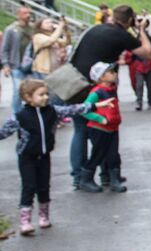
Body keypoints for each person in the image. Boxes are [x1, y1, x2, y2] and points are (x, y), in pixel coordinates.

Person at [66, 5, 151, 189]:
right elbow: (148, 53)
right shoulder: (120, 35)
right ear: (129, 19)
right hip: (94, 89)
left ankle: (91, 175)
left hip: (74, 83)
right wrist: (141, 30)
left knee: (81, 131)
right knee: (99, 132)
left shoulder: (96, 28)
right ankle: (89, 176)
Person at [0, 79, 92, 234]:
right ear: (28, 97)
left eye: (46, 94)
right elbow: (4, 132)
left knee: (44, 186)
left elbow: (72, 109)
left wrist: (94, 106)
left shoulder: (52, 110)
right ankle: (25, 221)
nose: (46, 97)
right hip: (27, 158)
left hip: (44, 156)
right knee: (29, 186)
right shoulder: (20, 116)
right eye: (41, 95)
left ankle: (44, 216)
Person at [76, 62, 123, 193]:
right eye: (111, 72)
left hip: (113, 127)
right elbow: (85, 110)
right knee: (98, 154)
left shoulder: (112, 89)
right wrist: (100, 119)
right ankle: (86, 179)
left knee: (113, 154)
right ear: (101, 77)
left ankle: (114, 179)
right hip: (99, 129)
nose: (115, 74)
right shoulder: (97, 93)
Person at [2, 7, 36, 114]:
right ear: (18, 15)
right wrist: (6, 65)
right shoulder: (11, 29)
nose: (28, 15)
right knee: (18, 91)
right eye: (25, 13)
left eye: (29, 13)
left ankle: (30, 115)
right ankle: (16, 115)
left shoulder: (33, 28)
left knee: (32, 91)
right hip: (16, 65)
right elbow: (5, 48)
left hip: (31, 65)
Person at [127, 13, 151, 111]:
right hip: (139, 66)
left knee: (150, 85)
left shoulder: (149, 38)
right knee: (139, 84)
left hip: (150, 65)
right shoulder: (135, 39)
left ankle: (149, 100)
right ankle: (139, 101)